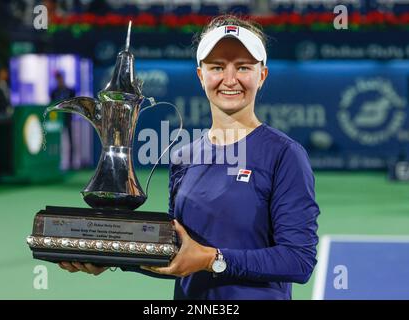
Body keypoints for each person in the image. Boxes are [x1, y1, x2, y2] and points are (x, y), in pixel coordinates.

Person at [58, 15, 320, 300]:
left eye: (243, 67)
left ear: (262, 75)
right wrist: (110, 258)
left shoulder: (285, 155)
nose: (230, 79)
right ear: (200, 75)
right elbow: (176, 253)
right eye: (217, 67)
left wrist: (212, 258)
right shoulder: (184, 157)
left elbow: (298, 260)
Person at [50, 70, 75, 169]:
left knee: (70, 140)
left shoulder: (70, 91)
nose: (59, 81)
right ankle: (56, 161)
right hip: (57, 119)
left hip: (67, 118)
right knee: (57, 140)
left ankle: (71, 163)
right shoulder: (53, 92)